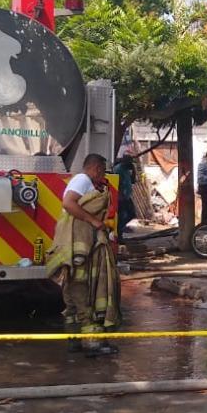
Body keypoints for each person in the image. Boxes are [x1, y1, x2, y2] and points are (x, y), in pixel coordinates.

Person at [47, 153, 119, 357]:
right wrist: (94, 221)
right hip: (78, 251)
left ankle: (74, 340)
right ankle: (93, 343)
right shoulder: (82, 180)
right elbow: (69, 203)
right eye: (102, 171)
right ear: (96, 168)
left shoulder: (86, 182)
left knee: (71, 295)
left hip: (79, 250)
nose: (102, 176)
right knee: (83, 295)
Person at [111, 155, 137, 238]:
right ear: (125, 162)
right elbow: (116, 183)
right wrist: (120, 195)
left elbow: (133, 181)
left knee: (131, 214)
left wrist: (134, 170)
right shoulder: (118, 169)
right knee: (122, 216)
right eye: (130, 162)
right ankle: (119, 234)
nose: (130, 164)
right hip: (120, 197)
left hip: (126, 196)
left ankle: (121, 229)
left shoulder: (126, 169)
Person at [197, 152, 207, 224]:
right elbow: (200, 177)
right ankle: (204, 224)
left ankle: (205, 223)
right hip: (204, 187)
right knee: (206, 207)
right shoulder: (203, 164)